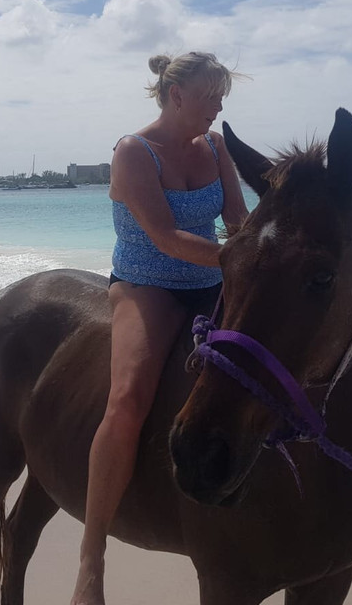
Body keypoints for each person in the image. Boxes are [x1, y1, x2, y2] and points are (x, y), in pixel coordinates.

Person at [71, 52, 249, 605]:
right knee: (127, 399)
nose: (218, 108)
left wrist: (261, 258)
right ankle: (91, 556)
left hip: (213, 281)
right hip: (147, 283)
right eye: (210, 97)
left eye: (222, 98)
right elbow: (166, 237)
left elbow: (238, 221)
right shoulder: (133, 151)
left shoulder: (216, 147)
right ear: (177, 96)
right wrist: (242, 260)